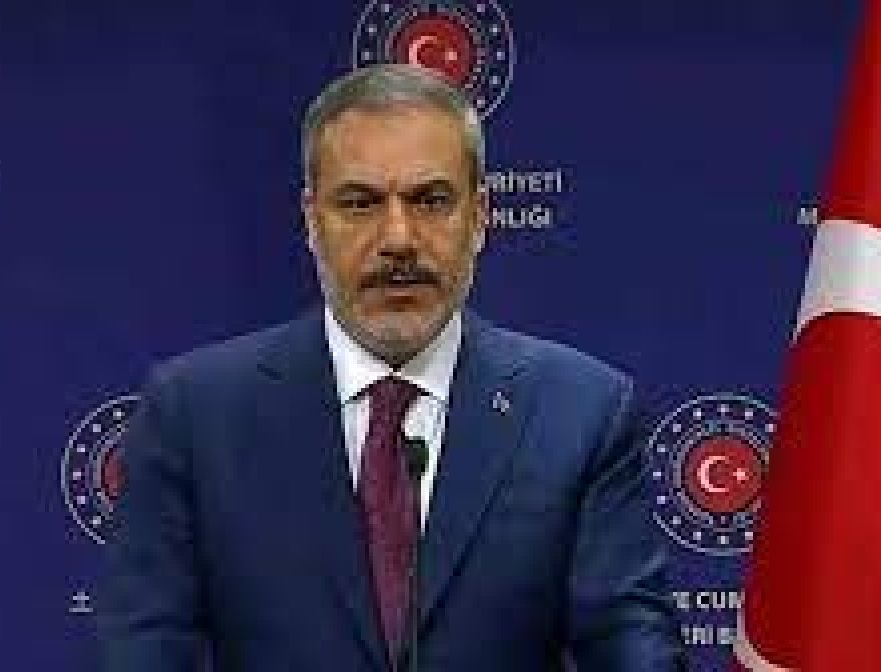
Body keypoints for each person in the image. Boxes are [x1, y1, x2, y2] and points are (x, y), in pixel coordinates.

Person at [99, 63, 685, 671]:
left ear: (480, 216)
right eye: (360, 203)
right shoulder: (196, 416)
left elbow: (631, 650)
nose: (399, 238)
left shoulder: (579, 413)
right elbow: (141, 653)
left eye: (431, 201)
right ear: (311, 221)